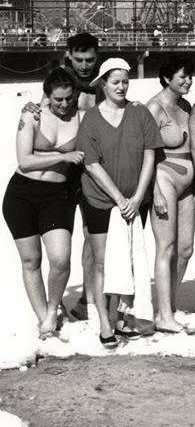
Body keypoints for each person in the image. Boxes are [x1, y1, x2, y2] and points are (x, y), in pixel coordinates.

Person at [76, 58, 163, 348]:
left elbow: (150, 155)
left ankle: (125, 318)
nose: (121, 87)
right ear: (103, 84)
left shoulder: (140, 114)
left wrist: (137, 198)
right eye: (115, 82)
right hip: (101, 200)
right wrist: (120, 199)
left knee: (130, 258)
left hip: (136, 200)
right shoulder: (91, 119)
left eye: (125, 81)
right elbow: (91, 165)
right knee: (103, 263)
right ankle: (104, 321)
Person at [23, 32, 101, 321]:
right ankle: (55, 302)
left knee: (93, 237)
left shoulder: (102, 83)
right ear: (69, 55)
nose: (84, 66)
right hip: (62, 174)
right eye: (79, 59)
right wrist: (31, 107)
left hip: (92, 171)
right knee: (59, 244)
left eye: (90, 60)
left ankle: (86, 299)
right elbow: (45, 109)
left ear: (97, 57)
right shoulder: (62, 83)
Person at [4, 68, 85, 339]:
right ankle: (44, 321)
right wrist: (63, 157)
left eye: (68, 99)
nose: (64, 105)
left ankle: (53, 309)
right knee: (31, 260)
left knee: (61, 259)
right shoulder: (32, 114)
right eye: (58, 100)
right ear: (47, 96)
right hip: (21, 193)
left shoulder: (81, 117)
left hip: (56, 195)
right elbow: (25, 160)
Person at [145, 55, 195, 334]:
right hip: (164, 178)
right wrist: (155, 191)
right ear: (167, 78)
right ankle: (164, 314)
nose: (188, 81)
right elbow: (147, 153)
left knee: (186, 248)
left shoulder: (185, 105)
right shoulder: (155, 107)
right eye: (182, 76)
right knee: (166, 247)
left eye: (190, 76)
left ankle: (168, 305)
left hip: (187, 183)